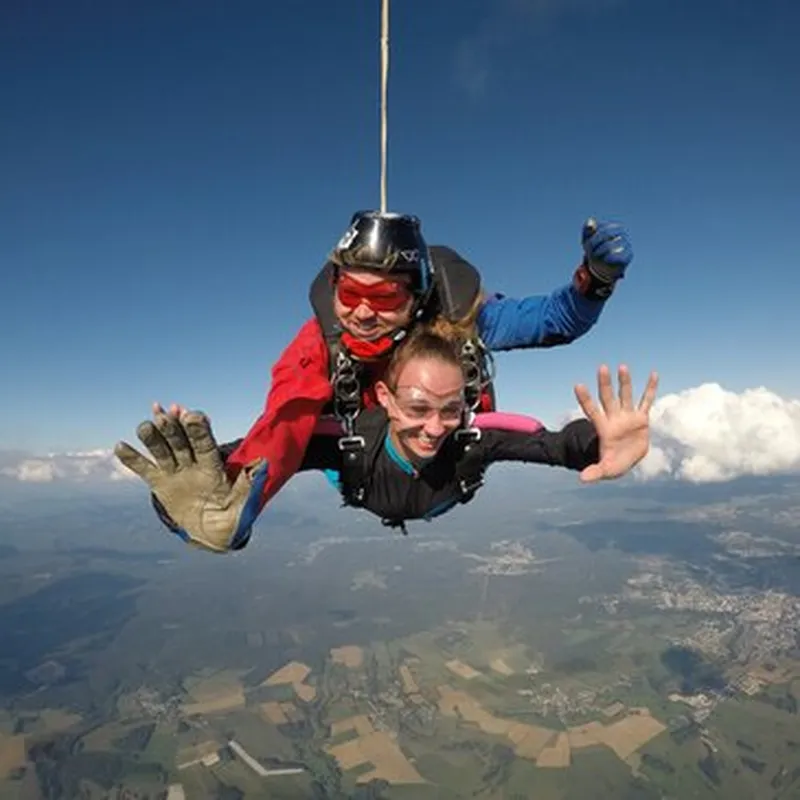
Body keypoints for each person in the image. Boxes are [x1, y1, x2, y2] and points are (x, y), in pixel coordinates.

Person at [149, 211, 635, 543]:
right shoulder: (319, 345)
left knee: (459, 430)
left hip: (449, 469)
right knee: (283, 442)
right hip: (364, 469)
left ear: (417, 296)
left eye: (383, 298)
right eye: (349, 293)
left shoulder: (460, 321)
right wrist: (228, 508)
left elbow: (551, 321)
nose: (361, 313)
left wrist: (594, 281)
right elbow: (286, 425)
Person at [115, 327, 657, 553]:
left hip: (434, 501)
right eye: (418, 408)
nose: (436, 427)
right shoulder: (345, 437)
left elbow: (553, 445)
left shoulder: (475, 437)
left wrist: (602, 445)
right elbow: (238, 473)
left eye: (451, 408)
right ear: (386, 400)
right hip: (365, 480)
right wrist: (183, 513)